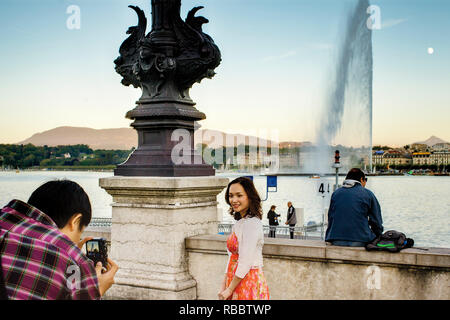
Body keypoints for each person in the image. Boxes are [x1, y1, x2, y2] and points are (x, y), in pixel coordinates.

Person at [0, 180, 118, 299]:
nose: (77, 240)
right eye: (80, 232)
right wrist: (97, 290)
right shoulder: (74, 260)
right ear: (75, 221)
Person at [218, 177, 269, 300]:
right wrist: (224, 284)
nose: (234, 200)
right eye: (231, 196)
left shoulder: (252, 224)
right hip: (235, 279)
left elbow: (245, 261)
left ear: (249, 197)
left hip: (248, 281)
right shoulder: (241, 223)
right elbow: (231, 257)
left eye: (239, 195)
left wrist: (229, 289)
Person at [325, 168, 384, 247]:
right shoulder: (367, 194)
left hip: (336, 240)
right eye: (365, 179)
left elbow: (330, 217)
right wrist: (378, 236)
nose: (365, 182)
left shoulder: (336, 193)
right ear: (361, 179)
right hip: (360, 240)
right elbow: (376, 221)